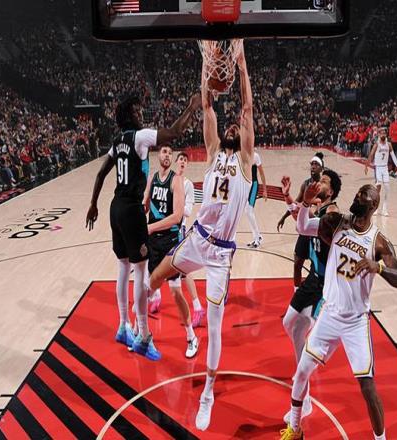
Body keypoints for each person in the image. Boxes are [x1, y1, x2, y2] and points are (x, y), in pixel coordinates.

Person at [147, 40, 254, 431]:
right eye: (230, 127)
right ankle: (141, 328)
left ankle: (208, 391)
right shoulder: (212, 153)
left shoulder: (245, 161)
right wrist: (207, 62)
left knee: (216, 324)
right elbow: (208, 106)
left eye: (237, 127)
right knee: (154, 278)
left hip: (221, 255)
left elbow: (246, 108)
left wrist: (241, 62)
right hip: (197, 238)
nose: (233, 127)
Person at [280, 181, 397, 440]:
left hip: (355, 322)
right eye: (358, 192)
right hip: (329, 314)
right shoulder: (337, 222)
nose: (357, 196)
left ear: (373, 205)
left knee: (367, 386)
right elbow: (303, 227)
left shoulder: (379, 242)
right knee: (302, 371)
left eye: (364, 195)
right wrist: (305, 203)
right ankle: (295, 428)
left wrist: (378, 267)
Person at [85, 92, 200, 361]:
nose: (140, 115)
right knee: (140, 271)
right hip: (131, 210)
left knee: (123, 267)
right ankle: (144, 336)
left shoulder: (117, 142)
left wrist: (93, 204)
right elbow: (174, 132)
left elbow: (101, 173)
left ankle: (123, 325)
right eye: (136, 112)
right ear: (129, 116)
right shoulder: (140, 137)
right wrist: (191, 106)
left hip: (115, 207)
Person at [280, 169, 341, 424]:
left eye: (324, 181)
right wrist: (288, 198)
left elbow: (305, 224)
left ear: (332, 191)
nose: (319, 182)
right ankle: (301, 370)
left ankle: (304, 398)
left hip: (327, 286)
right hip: (314, 278)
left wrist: (302, 205)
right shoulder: (320, 208)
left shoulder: (333, 215)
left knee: (303, 334)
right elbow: (303, 220)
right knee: (289, 324)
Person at [144, 145, 198, 358]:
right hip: (153, 243)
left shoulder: (177, 181)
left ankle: (191, 336)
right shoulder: (152, 179)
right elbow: (144, 205)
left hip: (170, 242)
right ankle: (141, 333)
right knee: (146, 289)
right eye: (164, 152)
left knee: (175, 292)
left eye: (169, 152)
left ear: (172, 157)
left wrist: (150, 227)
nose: (166, 155)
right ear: (158, 155)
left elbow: (177, 217)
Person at [277, 153, 324, 289]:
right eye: (312, 164)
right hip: (305, 228)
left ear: (321, 168)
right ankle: (296, 290)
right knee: (297, 263)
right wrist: (284, 216)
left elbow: (319, 204)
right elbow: (297, 202)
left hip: (317, 229)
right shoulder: (306, 184)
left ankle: (319, 291)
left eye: (316, 164)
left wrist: (308, 204)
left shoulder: (323, 186)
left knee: (317, 266)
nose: (313, 166)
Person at [176, 151, 205, 328]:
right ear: (176, 162)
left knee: (183, 271)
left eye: (185, 160)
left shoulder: (188, 185)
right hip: (164, 229)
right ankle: (153, 297)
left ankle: (197, 306)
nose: (183, 162)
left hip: (177, 229)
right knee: (156, 266)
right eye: (181, 159)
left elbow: (187, 211)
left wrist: (174, 207)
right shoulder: (170, 180)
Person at [365, 127, 397, 216]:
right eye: (382, 133)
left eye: (384, 133)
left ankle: (384, 209)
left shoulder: (389, 144)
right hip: (378, 168)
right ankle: (375, 208)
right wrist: (366, 165)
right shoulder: (376, 145)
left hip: (385, 168)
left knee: (387, 188)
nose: (383, 134)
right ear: (379, 135)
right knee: (378, 188)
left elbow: (393, 156)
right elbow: (371, 155)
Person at [246, 149, 268, 248]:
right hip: (245, 185)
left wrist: (265, 190)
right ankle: (257, 236)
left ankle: (257, 238)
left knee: (249, 211)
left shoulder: (255, 156)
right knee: (247, 212)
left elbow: (262, 173)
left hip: (253, 185)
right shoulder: (240, 155)